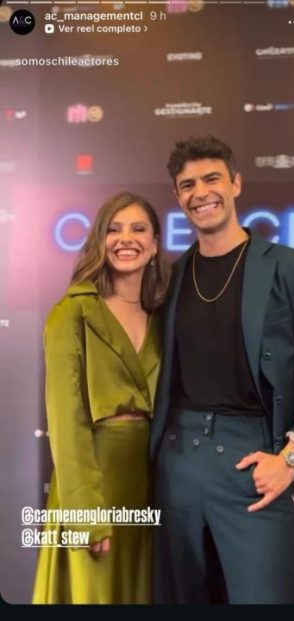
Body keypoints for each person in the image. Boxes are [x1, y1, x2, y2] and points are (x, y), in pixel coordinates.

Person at [150, 135, 294, 604]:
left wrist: (290, 459)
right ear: (178, 197)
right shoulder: (171, 277)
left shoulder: (288, 267)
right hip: (176, 467)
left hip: (253, 463)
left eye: (211, 179)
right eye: (188, 185)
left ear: (236, 183)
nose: (201, 193)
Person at [32, 192, 169, 604]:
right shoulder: (71, 312)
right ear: (99, 240)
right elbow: (66, 423)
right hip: (96, 483)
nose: (126, 239)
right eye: (114, 229)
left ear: (155, 245)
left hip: (151, 484)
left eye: (138, 229)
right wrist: (85, 514)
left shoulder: (164, 317)